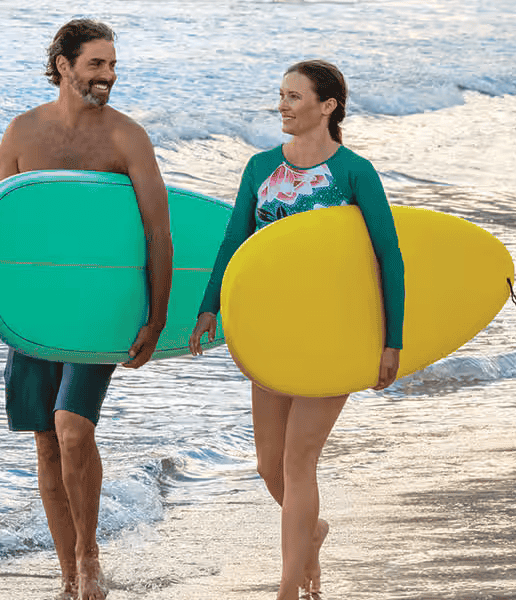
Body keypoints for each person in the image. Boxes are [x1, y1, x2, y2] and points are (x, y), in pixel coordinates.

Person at [0, 18, 173, 600]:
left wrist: (156, 318)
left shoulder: (127, 138)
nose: (109, 75)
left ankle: (89, 553)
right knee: (46, 441)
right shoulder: (23, 134)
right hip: (32, 309)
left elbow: (159, 233)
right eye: (97, 64)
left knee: (73, 428)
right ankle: (66, 573)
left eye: (111, 64)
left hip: (99, 311)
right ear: (63, 65)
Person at [187, 60, 404, 600]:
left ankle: (288, 585)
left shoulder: (355, 172)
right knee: (268, 465)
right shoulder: (260, 167)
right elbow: (235, 239)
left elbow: (389, 257)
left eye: (294, 96)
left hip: (334, 332)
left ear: (327, 106)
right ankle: (313, 532)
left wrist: (391, 341)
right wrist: (209, 306)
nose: (282, 105)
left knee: (300, 460)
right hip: (270, 330)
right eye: (280, 95)